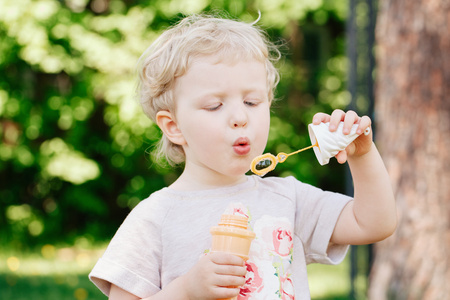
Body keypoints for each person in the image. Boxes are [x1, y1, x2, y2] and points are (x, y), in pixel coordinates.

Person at [89, 13, 397, 300]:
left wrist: (363, 154)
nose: (240, 117)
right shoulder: (153, 218)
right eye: (214, 106)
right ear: (173, 127)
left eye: (252, 101)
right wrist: (186, 290)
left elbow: (374, 223)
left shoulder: (288, 199)